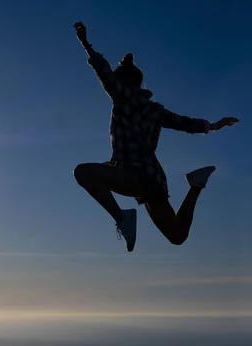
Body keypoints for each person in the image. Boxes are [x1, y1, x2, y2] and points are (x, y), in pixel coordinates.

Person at [72, 21, 239, 252]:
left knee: (84, 172)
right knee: (177, 234)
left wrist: (85, 43)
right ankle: (197, 183)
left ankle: (122, 218)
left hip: (133, 175)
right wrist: (212, 125)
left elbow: (104, 72)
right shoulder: (155, 109)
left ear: (123, 83)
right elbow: (184, 123)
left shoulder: (123, 97)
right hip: (152, 180)